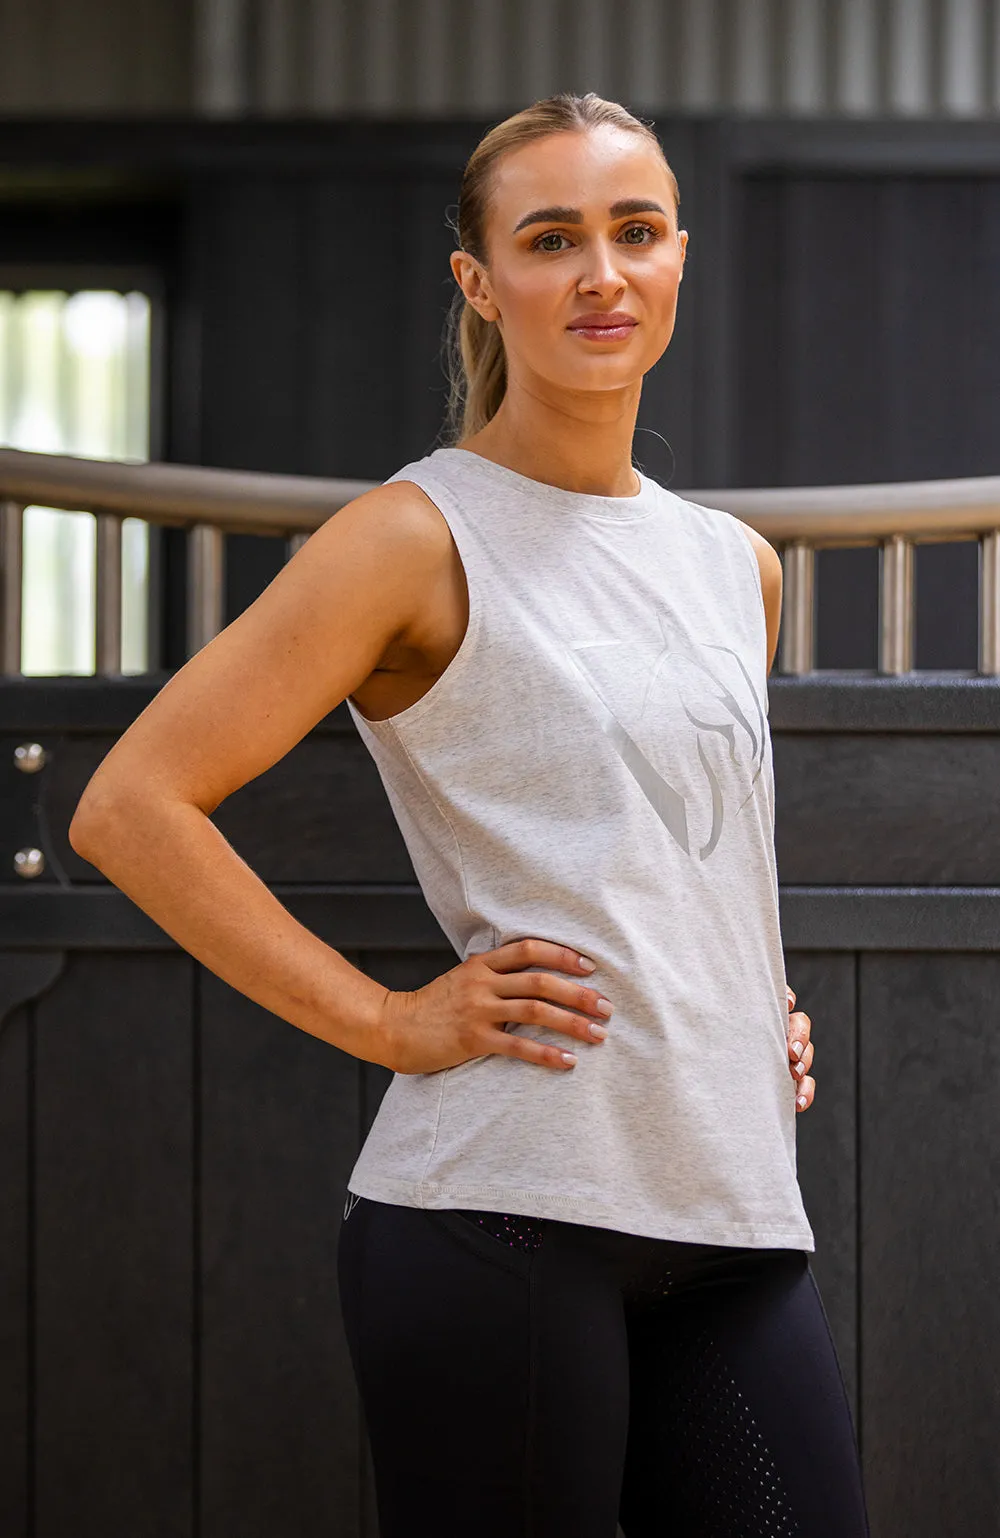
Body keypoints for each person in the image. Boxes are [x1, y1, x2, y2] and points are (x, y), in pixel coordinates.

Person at [68, 90, 868, 1538]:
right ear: (481, 283)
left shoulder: (735, 565)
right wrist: (388, 1023)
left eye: (634, 231)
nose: (600, 275)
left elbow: (669, 846)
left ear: (681, 252)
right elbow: (131, 805)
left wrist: (746, 997)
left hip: (734, 1207)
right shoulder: (411, 536)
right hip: (501, 1213)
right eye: (551, 238)